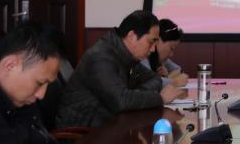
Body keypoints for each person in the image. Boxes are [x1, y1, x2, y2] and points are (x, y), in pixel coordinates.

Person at [56, 10, 184, 129]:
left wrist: (134, 95)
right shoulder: (101, 58)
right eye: (151, 42)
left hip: (106, 126)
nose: (153, 49)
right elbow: (121, 102)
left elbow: (155, 78)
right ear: (131, 36)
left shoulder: (128, 56)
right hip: (82, 133)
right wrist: (159, 98)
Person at [144, 18, 189, 88]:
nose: (171, 54)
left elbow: (178, 70)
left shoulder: (160, 58)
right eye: (171, 48)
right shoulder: (142, 55)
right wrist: (173, 82)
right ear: (158, 40)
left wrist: (168, 76)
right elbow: (148, 82)